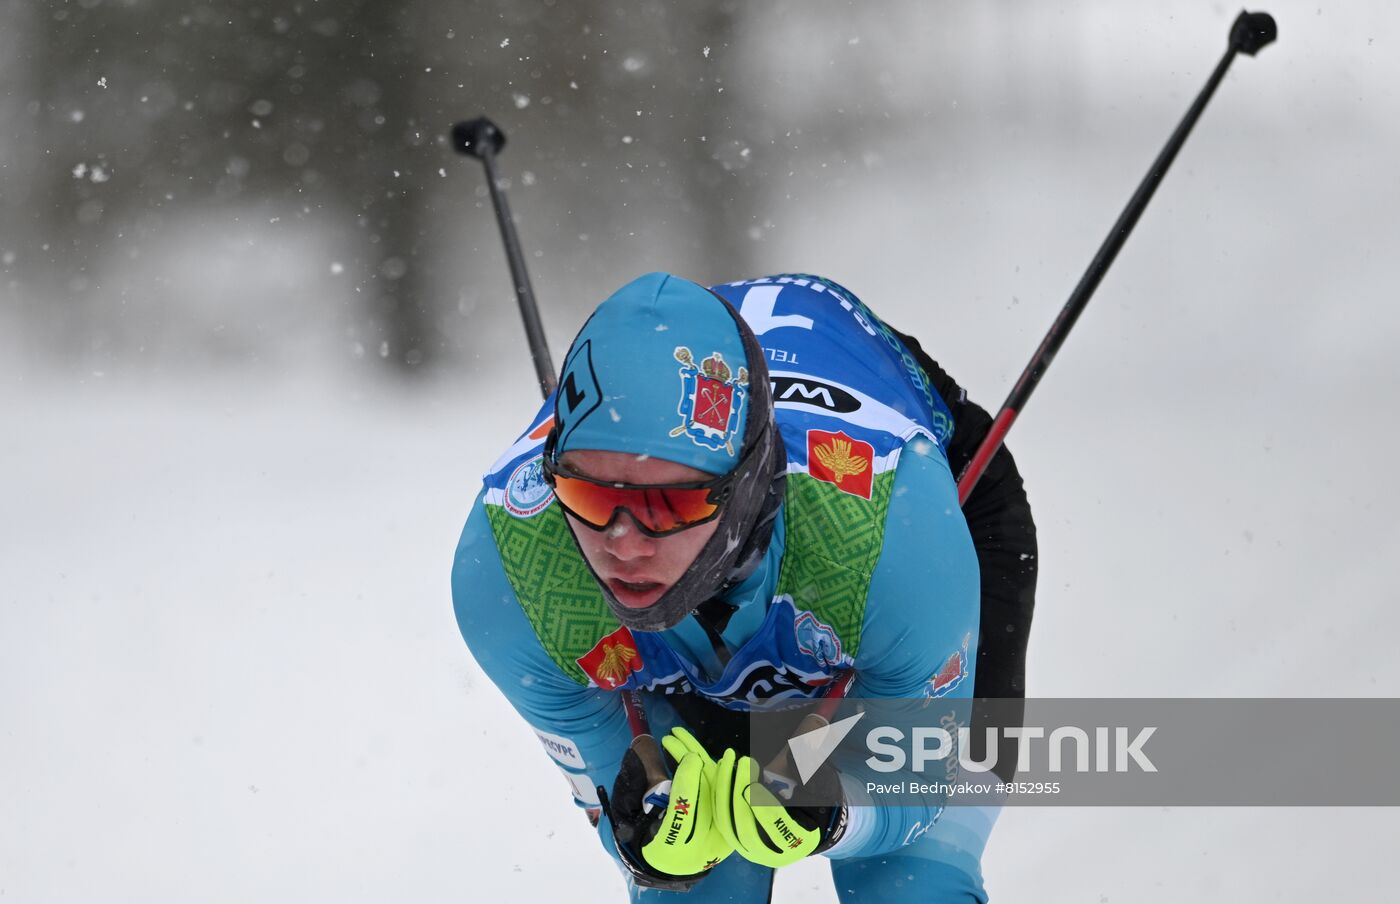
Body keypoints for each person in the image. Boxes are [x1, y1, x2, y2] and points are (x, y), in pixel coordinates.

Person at [452, 272, 1037, 902]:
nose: (623, 542)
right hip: (710, 646)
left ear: (747, 484)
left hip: (915, 529)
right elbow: (612, 794)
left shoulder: (895, 533)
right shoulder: (514, 571)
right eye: (589, 494)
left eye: (668, 504)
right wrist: (643, 843)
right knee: (690, 884)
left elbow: (920, 785)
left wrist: (836, 815)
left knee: (912, 889)